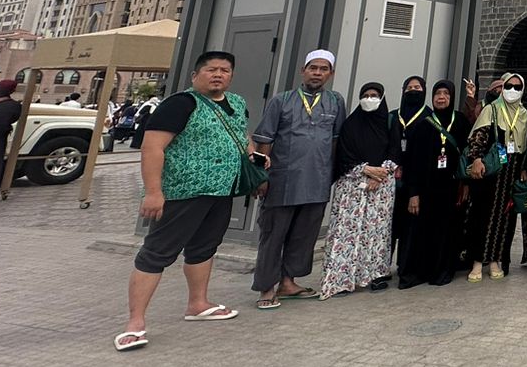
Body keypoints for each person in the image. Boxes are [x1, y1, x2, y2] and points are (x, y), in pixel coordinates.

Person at [115, 53, 247, 351]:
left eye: (225, 70)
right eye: (211, 70)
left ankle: (198, 304)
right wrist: (153, 192)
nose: (218, 75)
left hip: (221, 191)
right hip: (183, 192)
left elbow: (241, 135)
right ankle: (135, 323)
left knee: (204, 248)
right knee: (157, 252)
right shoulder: (180, 104)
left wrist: (254, 157)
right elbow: (152, 148)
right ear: (195, 75)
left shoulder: (236, 103)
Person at [249, 50, 347, 308]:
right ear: (303, 70)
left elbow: (337, 140)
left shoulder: (335, 102)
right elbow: (264, 140)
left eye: (323, 69)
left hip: (317, 180)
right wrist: (261, 176)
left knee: (304, 235)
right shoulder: (281, 101)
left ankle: (288, 282)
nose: (317, 73)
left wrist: (331, 173)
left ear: (331, 74)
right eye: (313, 68)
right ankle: (266, 287)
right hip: (282, 180)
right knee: (273, 235)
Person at [319, 82, 401, 298]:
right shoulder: (350, 124)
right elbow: (343, 154)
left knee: (376, 233)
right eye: (365, 95)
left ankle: (374, 275)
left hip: (381, 187)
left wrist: (381, 172)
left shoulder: (390, 122)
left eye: (374, 95)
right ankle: (340, 280)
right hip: (352, 186)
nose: (369, 99)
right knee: (346, 233)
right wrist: (366, 170)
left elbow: (395, 149)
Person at [465, 71, 527, 280]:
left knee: (505, 219)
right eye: (508, 86)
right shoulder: (491, 109)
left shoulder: (524, 114)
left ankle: (495, 260)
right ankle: (477, 261)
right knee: (482, 215)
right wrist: (476, 159)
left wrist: (525, 168)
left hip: (511, 172)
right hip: (490, 171)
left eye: (517, 87)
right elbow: (478, 136)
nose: (512, 90)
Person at [398, 79, 471, 288]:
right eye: (438, 94)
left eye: (446, 94)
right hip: (425, 188)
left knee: (447, 230)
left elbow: (468, 153)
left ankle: (442, 270)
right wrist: (413, 193)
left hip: (451, 187)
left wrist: (466, 184)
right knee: (422, 230)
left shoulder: (460, 121)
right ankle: (419, 271)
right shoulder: (423, 124)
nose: (441, 98)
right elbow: (412, 161)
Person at [388, 76, 428, 271]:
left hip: (417, 180)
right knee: (388, 225)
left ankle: (405, 266)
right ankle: (381, 268)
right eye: (409, 87)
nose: (413, 90)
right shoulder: (392, 116)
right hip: (390, 179)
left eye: (417, 87)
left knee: (411, 225)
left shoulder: (429, 117)